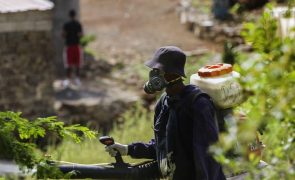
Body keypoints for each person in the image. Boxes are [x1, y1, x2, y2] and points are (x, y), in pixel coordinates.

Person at [106, 46, 226, 180]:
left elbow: (207, 156)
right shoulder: (163, 103)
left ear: (172, 74)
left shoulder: (198, 104)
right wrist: (128, 149)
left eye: (157, 70)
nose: (153, 74)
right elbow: (162, 147)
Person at [62, 9, 83, 87]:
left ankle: (68, 79)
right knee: (77, 63)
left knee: (68, 63)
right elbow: (81, 35)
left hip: (69, 46)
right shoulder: (78, 24)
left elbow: (63, 34)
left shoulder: (66, 24)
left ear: (69, 16)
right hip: (76, 46)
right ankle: (77, 79)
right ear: (75, 15)